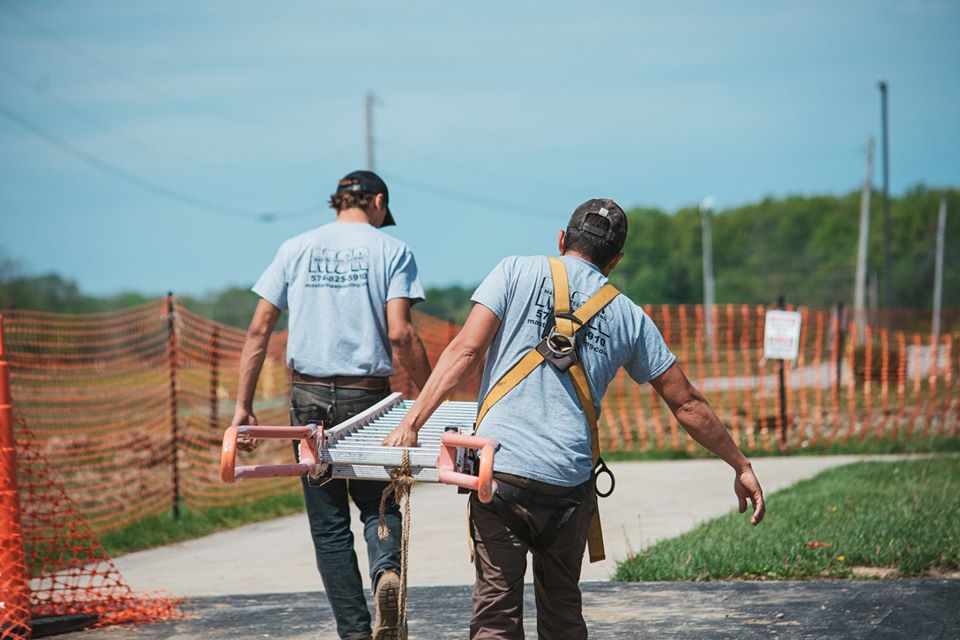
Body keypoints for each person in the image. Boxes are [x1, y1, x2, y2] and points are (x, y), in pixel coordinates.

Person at [382, 198, 765, 639]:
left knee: (495, 617)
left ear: (561, 240)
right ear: (615, 260)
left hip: (500, 475)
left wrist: (412, 422)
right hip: (568, 487)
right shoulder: (630, 317)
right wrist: (741, 465)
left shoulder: (514, 271)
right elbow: (687, 403)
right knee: (563, 616)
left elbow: (466, 351)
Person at [231, 170, 432, 640]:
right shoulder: (392, 250)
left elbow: (260, 329)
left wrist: (243, 406)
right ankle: (387, 572)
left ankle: (356, 633)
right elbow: (401, 332)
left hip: (308, 399)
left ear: (338, 202)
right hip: (367, 398)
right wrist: (428, 398)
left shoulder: (295, 247)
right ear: (378, 202)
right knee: (378, 505)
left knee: (328, 524)